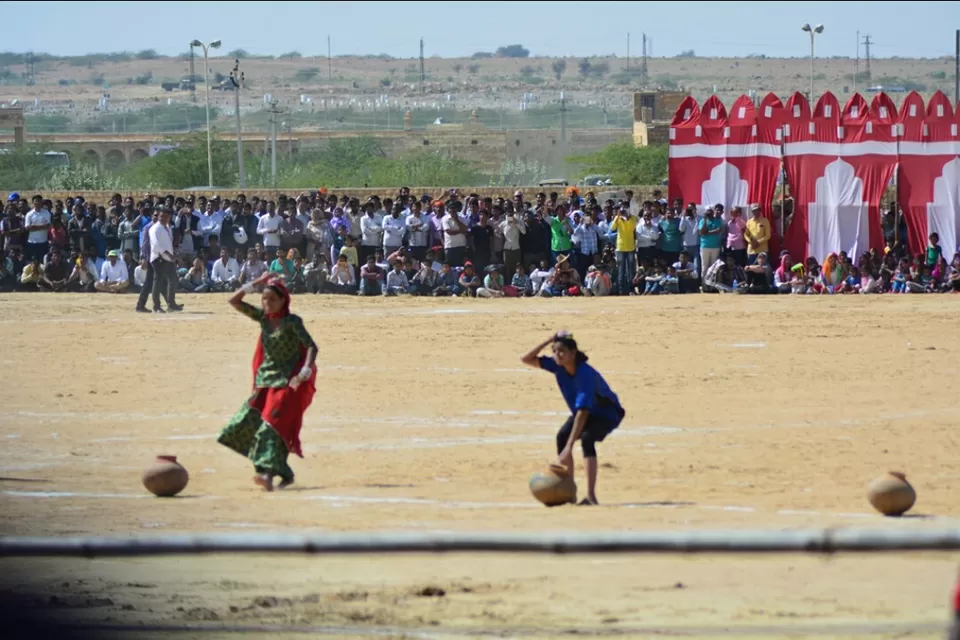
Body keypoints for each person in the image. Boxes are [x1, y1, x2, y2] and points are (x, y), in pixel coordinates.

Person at [216, 273, 318, 492]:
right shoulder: (263, 318)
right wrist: (254, 285)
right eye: (264, 299)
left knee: (270, 428)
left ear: (283, 301)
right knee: (243, 424)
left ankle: (267, 475)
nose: (267, 303)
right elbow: (234, 301)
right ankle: (284, 472)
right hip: (265, 381)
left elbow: (311, 346)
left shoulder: (292, 322)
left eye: (272, 299)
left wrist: (305, 371)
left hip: (288, 382)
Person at [521, 331, 625, 506]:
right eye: (554, 351)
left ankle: (591, 496)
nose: (557, 355)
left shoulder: (584, 374)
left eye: (561, 351)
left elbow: (583, 412)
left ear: (573, 353)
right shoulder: (557, 366)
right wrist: (549, 339)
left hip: (607, 413)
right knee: (562, 436)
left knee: (587, 439)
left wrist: (569, 448)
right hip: (585, 412)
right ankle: (569, 491)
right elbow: (526, 358)